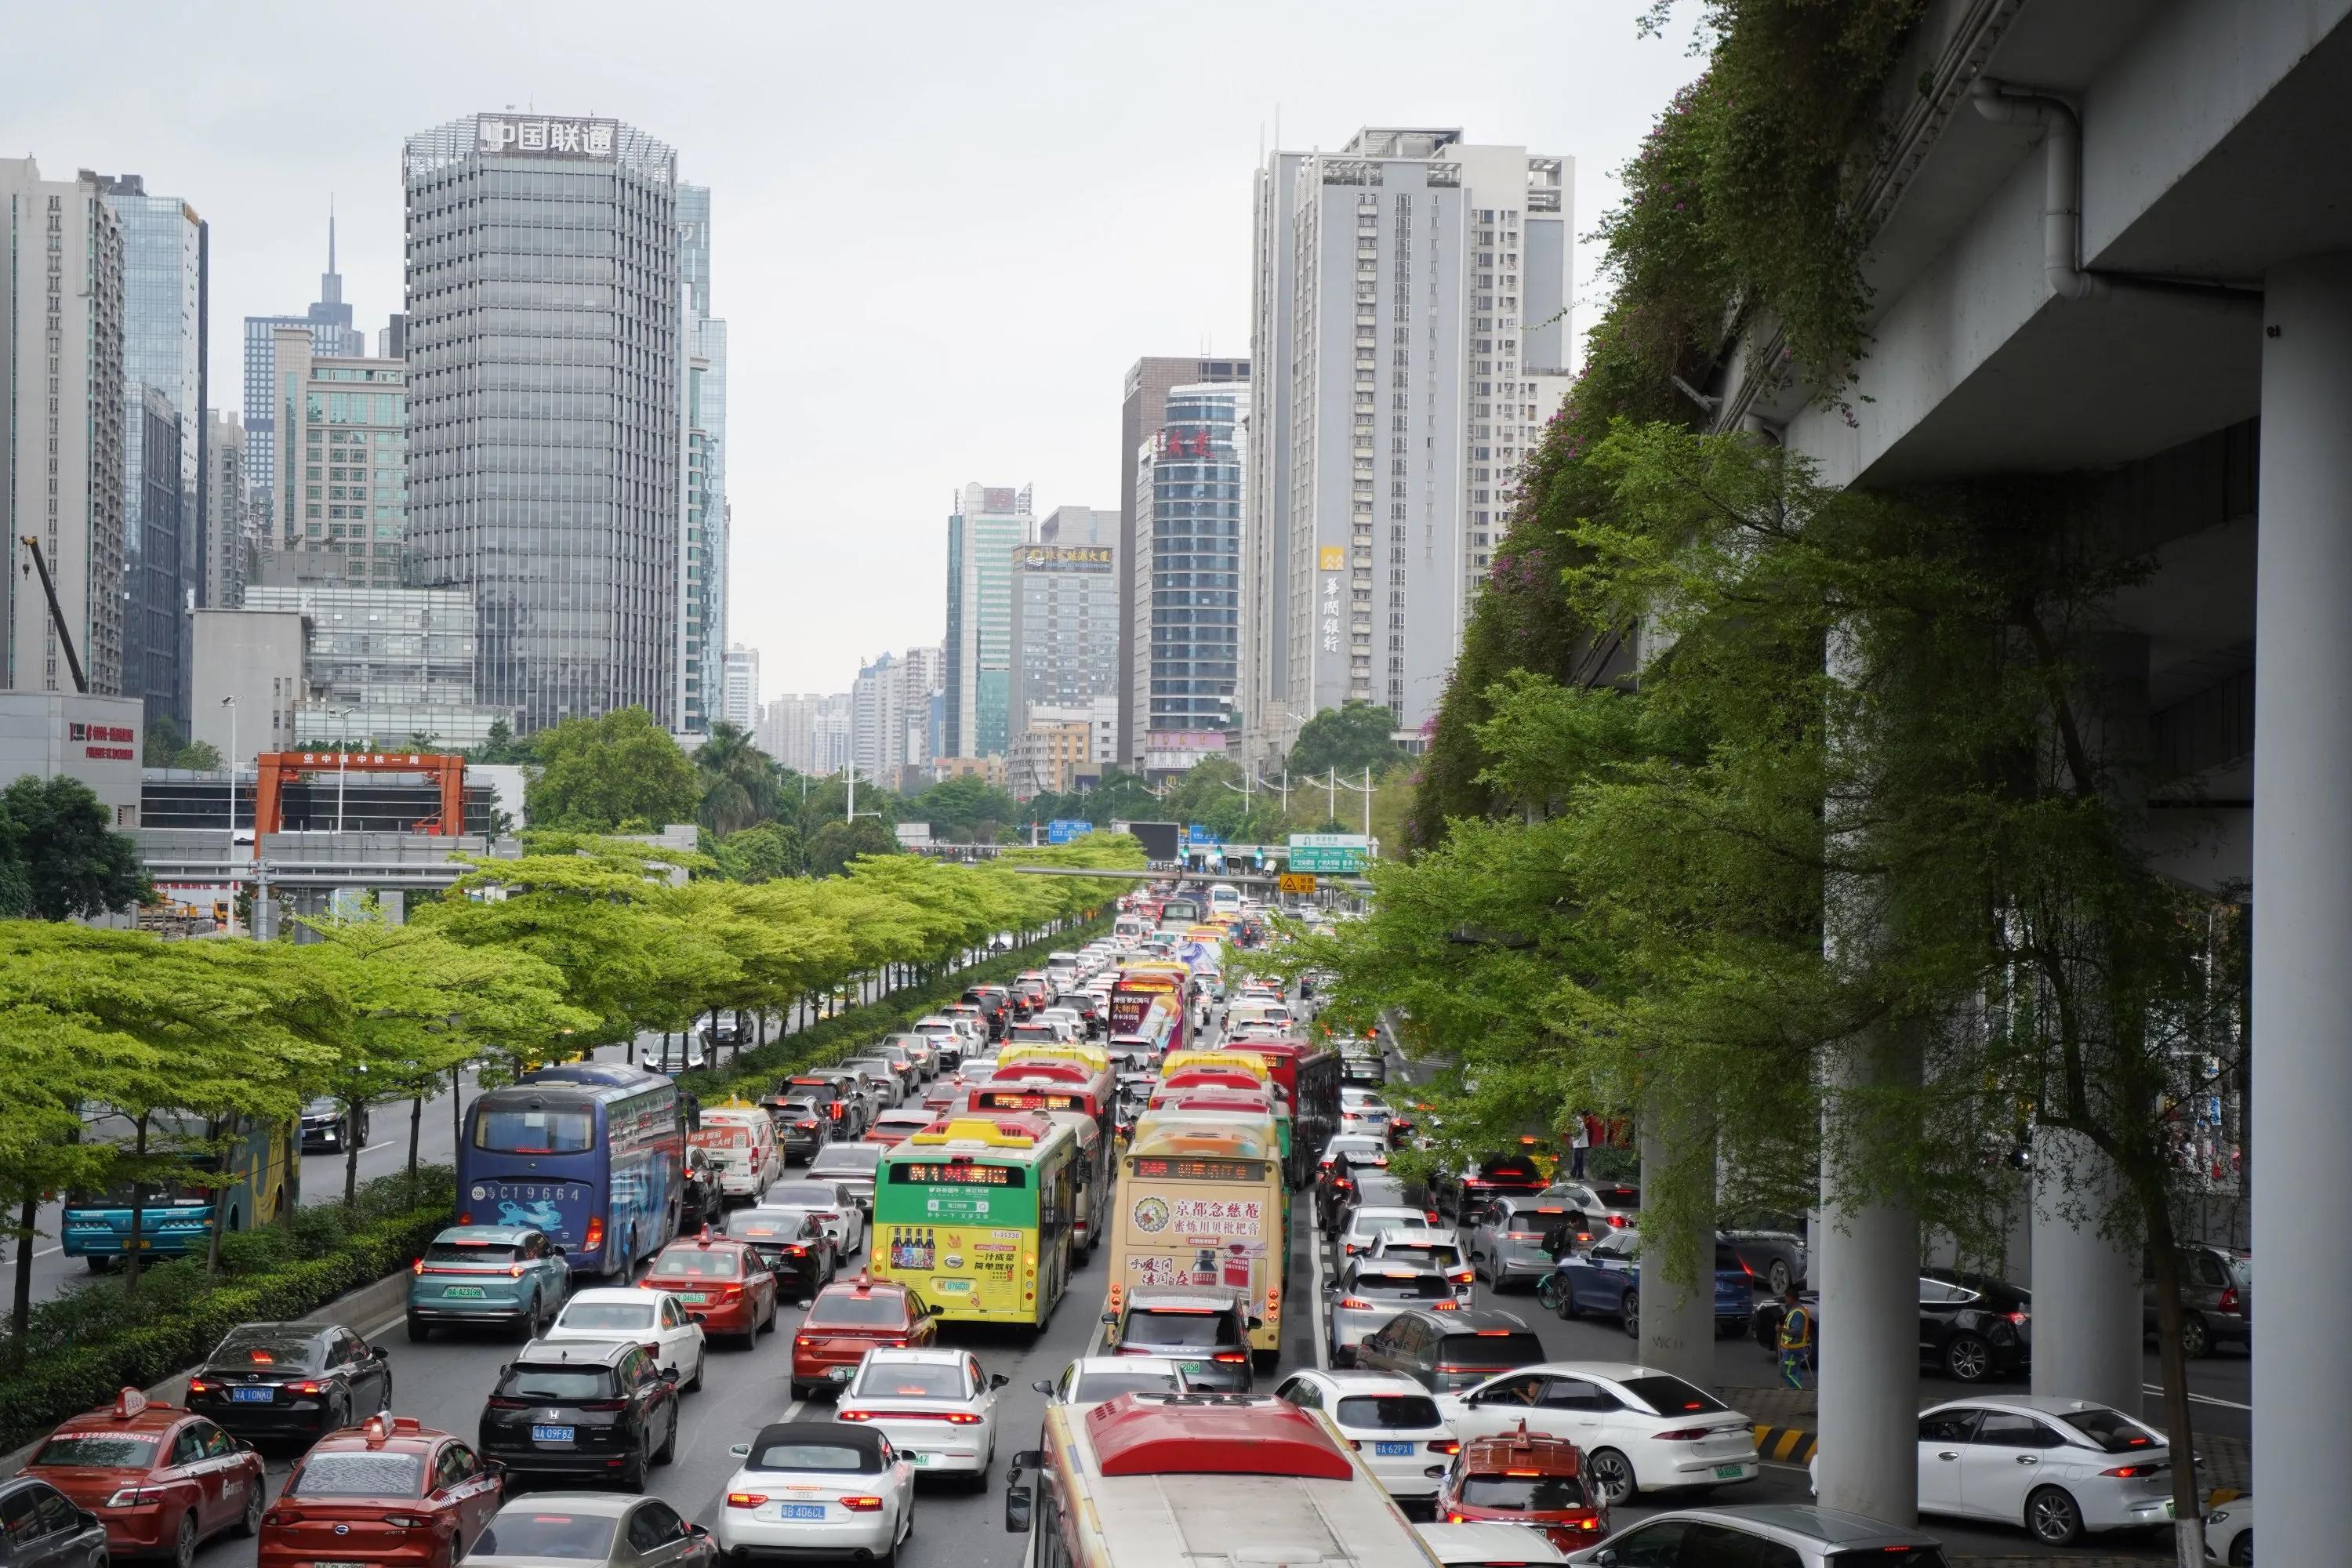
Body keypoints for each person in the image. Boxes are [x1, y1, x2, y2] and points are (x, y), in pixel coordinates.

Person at [1776, 1287, 1813, 1389]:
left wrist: (1782, 1329)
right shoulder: (1795, 1310)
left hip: (1794, 1349)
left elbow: (1798, 1332)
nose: (1785, 1300)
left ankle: (1800, 1391)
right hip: (1791, 1348)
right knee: (1794, 1372)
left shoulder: (1797, 1313)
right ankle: (1796, 1393)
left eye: (1786, 1298)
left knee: (1786, 1372)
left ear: (1792, 1298)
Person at [1568, 1113, 1592, 1179]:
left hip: (1579, 1143)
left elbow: (1579, 1130)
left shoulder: (1578, 1119)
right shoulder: (1576, 1119)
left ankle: (1573, 1174)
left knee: (1576, 1159)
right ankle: (1580, 1175)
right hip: (1578, 1143)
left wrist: (1571, 1132)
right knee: (1580, 1159)